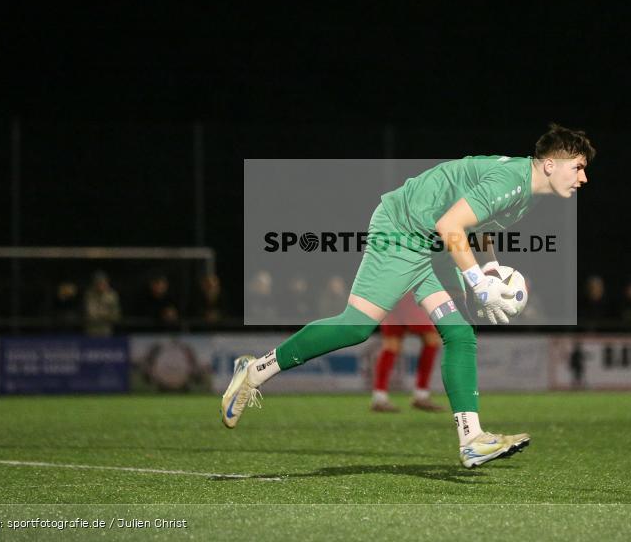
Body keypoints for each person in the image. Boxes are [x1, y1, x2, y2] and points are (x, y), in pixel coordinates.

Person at [221, 123, 595, 468]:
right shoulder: (511, 180)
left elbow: (477, 224)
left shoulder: (525, 190)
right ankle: (254, 371)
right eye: (577, 167)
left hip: (431, 243)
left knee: (460, 335)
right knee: (354, 327)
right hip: (402, 231)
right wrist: (478, 284)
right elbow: (451, 225)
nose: (583, 177)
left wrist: (491, 268)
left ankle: (473, 440)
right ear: (550, 164)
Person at [371, 292, 446, 413]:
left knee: (391, 345)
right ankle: (421, 394)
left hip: (390, 293)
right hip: (407, 294)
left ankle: (379, 397)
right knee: (431, 339)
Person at [83, 271, 121, 337]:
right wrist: (105, 315)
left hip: (107, 330)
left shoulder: (112, 295)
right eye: (98, 282)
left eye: (103, 282)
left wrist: (105, 316)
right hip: (91, 331)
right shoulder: (89, 294)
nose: (101, 285)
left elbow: (115, 315)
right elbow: (91, 315)